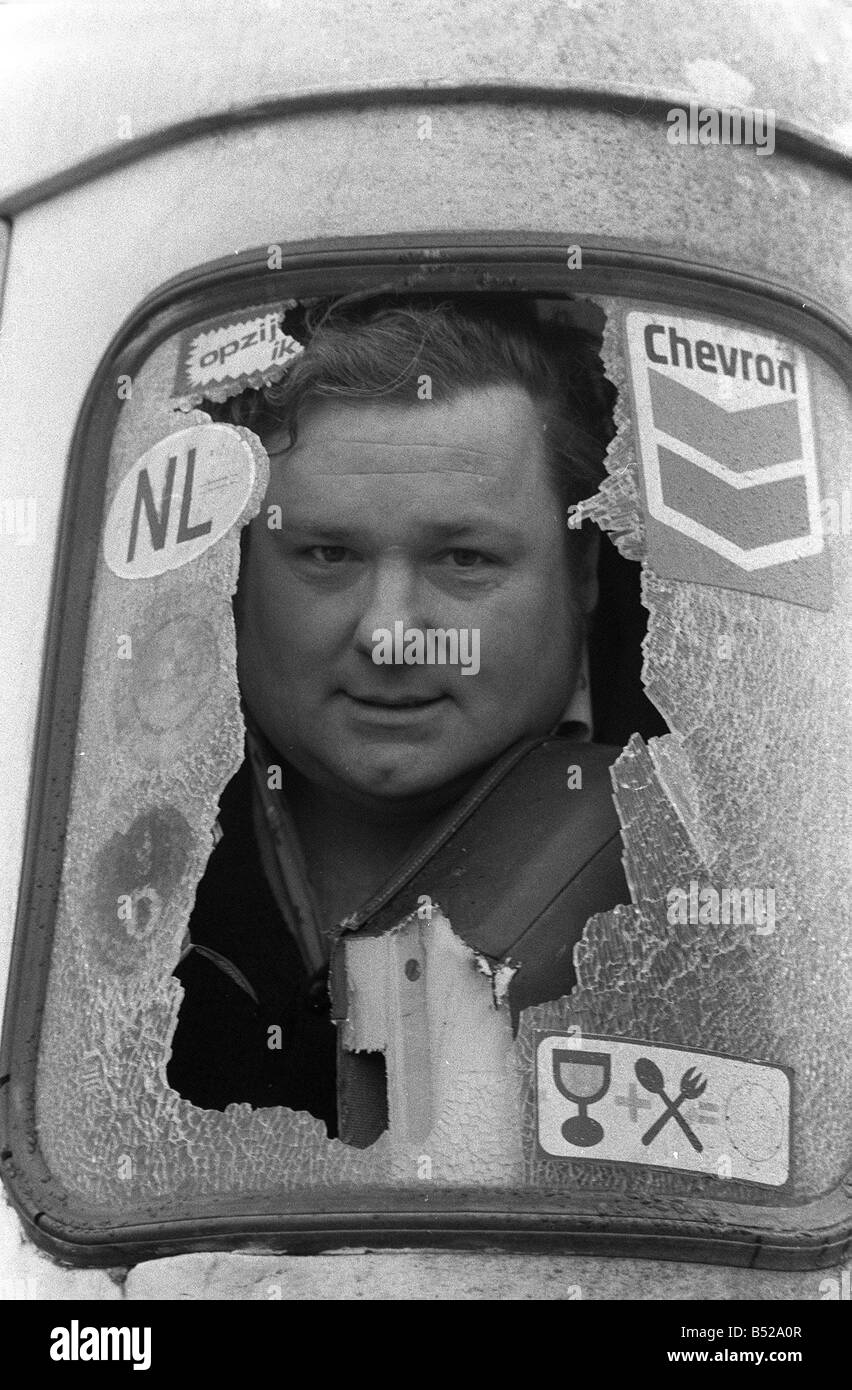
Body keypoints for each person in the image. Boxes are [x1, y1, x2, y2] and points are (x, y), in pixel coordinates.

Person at [167, 294, 631, 1138]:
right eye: (326, 554)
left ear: (583, 573)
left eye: (463, 558)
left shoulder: (714, 866)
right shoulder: (92, 866)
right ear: (230, 577)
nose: (389, 635)